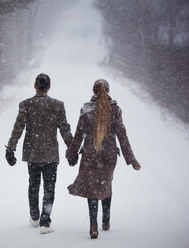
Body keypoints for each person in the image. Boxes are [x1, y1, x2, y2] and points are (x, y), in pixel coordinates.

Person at [66, 79, 141, 239]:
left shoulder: (86, 109)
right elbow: (122, 136)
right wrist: (131, 159)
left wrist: (71, 153)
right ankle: (106, 221)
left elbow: (79, 135)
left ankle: (93, 225)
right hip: (109, 155)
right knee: (106, 184)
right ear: (108, 91)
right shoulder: (115, 110)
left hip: (90, 154)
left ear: (93, 91)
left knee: (92, 188)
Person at [5, 73, 73, 234]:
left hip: (33, 152)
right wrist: (72, 150)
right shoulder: (57, 105)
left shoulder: (26, 105)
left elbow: (18, 128)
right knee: (49, 188)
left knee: (33, 185)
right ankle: (45, 222)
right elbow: (65, 129)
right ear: (49, 87)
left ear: (35, 86)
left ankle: (34, 216)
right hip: (50, 154)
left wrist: (11, 148)